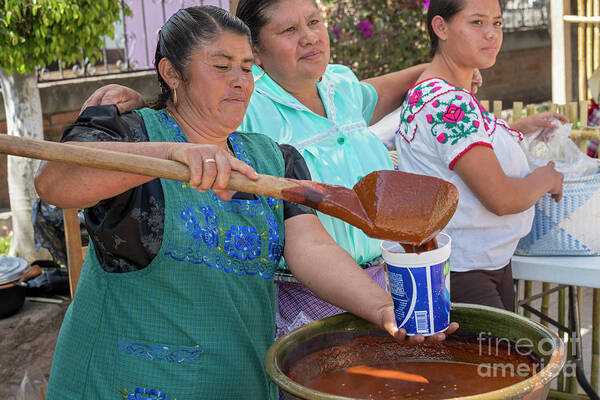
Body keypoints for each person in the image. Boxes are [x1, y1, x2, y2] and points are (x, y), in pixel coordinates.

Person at [36, 7, 457, 399]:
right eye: (221, 67)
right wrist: (171, 155)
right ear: (173, 74)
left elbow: (311, 249)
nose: (239, 80)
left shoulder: (273, 157)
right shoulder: (128, 133)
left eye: (246, 68)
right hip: (128, 381)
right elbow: (55, 183)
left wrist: (381, 306)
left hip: (236, 379)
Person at [395, 0, 565, 311]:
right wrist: (547, 178)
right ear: (440, 27)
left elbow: (459, 153)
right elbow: (500, 198)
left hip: (477, 263)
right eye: (477, 22)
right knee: (501, 360)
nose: (491, 34)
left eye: (497, 23)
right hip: (464, 271)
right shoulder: (448, 103)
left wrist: (516, 129)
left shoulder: (441, 93)